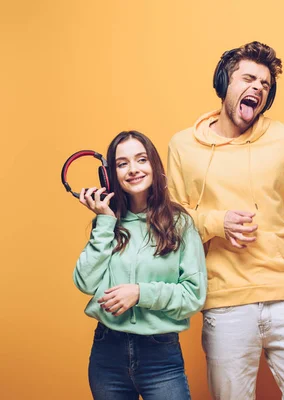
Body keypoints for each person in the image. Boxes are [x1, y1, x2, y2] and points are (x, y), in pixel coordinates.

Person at [167, 41, 284, 399]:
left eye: (265, 85)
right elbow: (171, 220)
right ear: (225, 81)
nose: (257, 87)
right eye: (248, 78)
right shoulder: (182, 146)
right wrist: (216, 222)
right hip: (225, 302)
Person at [73, 130, 207, 400]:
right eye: (122, 164)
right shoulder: (108, 223)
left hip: (160, 356)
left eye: (141, 159)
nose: (133, 169)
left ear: (153, 166)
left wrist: (140, 293)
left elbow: (194, 296)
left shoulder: (180, 224)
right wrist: (105, 222)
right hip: (106, 354)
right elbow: (84, 282)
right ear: (110, 175)